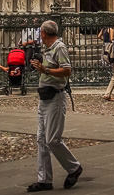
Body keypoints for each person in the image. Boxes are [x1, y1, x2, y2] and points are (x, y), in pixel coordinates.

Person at [27, 20, 83, 191]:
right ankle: (44, 180)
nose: (39, 35)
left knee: (52, 139)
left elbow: (67, 70)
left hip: (55, 99)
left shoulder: (59, 47)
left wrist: (46, 71)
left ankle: (74, 168)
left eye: (40, 33)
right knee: (41, 140)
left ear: (44, 33)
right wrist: (41, 68)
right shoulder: (48, 49)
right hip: (44, 99)